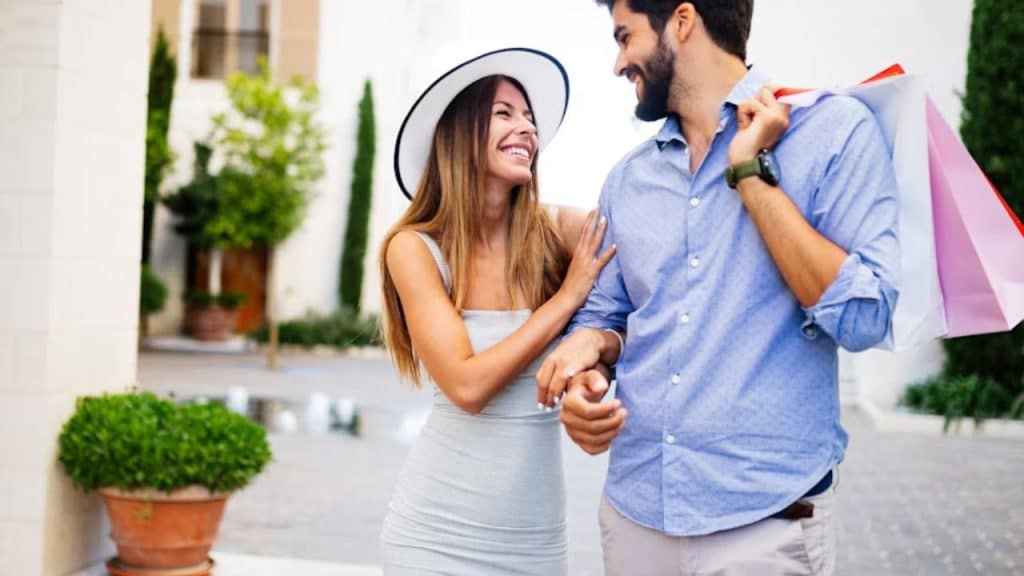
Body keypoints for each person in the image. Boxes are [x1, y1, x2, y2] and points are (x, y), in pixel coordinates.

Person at [535, 1, 900, 574]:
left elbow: (863, 317)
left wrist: (750, 173)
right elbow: (607, 313)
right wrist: (589, 369)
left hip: (766, 527)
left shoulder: (834, 133)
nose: (618, 63)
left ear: (681, 22)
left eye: (624, 37)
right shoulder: (628, 180)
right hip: (636, 518)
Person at [377, 48, 618, 576]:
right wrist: (565, 299)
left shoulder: (561, 231)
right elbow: (466, 386)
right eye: (505, 113)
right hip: (432, 536)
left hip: (534, 538)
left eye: (529, 116)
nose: (526, 127)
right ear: (459, 133)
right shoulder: (415, 249)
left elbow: (645, 275)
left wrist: (600, 358)